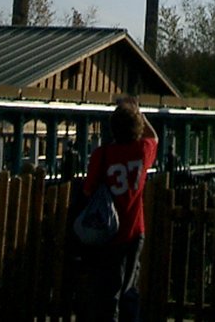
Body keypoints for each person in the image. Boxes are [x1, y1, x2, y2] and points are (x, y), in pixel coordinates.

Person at [79, 96, 158, 322]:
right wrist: (139, 112)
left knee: (108, 291)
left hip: (107, 232)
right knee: (130, 288)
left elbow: (88, 190)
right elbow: (154, 137)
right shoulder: (143, 150)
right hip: (134, 231)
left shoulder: (102, 155)